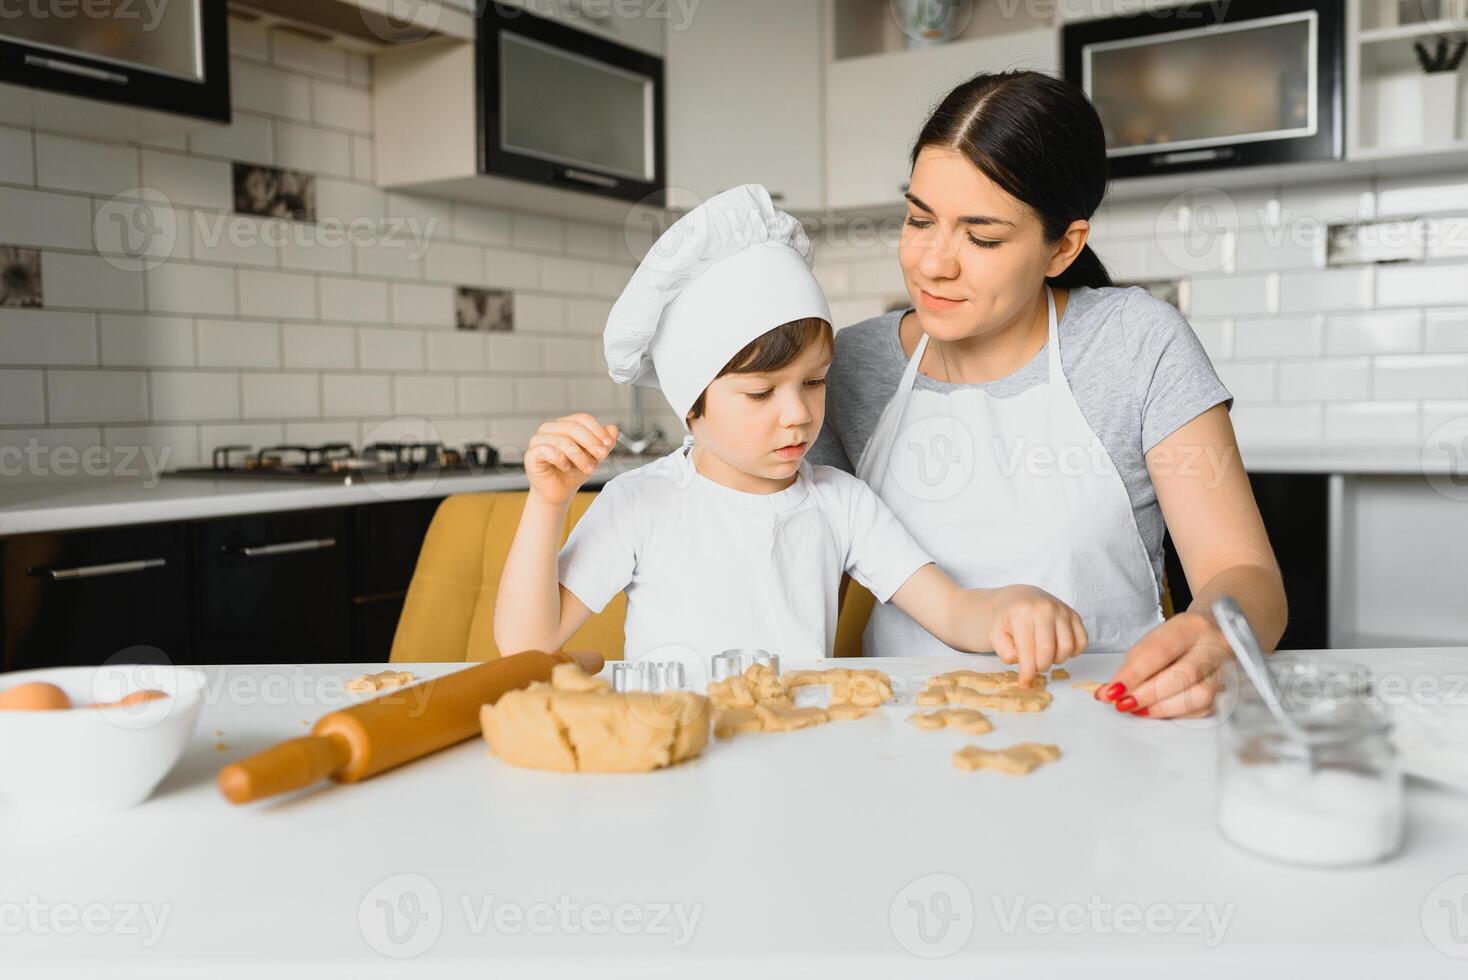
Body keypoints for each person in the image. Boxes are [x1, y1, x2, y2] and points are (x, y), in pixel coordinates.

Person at [808, 71, 1287, 718]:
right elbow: (790, 564)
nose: (933, 263)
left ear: (1063, 247)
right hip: (903, 736)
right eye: (920, 219)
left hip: (1116, 722)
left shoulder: (1135, 344)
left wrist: (1211, 635)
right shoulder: (850, 366)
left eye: (981, 237)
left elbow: (1245, 576)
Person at [494, 184, 1086, 681]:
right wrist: (549, 503)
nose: (797, 414)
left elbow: (952, 610)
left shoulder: (841, 503)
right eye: (760, 393)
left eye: (815, 382)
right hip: (675, 770)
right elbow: (527, 646)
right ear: (690, 403)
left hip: (801, 759)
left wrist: (1009, 608)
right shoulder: (640, 503)